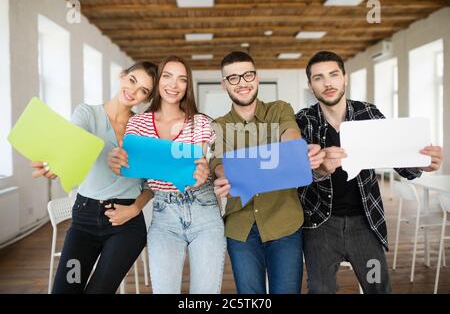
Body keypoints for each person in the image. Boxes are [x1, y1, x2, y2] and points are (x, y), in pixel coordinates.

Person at [296, 50, 444, 294]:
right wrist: (320, 170)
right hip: (319, 223)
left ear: (345, 77)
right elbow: (297, 178)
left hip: (366, 220)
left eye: (333, 75)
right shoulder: (303, 121)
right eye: (319, 78)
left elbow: (396, 156)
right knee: (321, 289)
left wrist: (419, 164)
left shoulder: (368, 114)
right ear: (311, 85)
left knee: (377, 286)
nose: (328, 83)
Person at [31, 61, 157, 293]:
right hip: (84, 222)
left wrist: (135, 209)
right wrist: (57, 162)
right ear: (122, 77)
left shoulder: (144, 130)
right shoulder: (87, 113)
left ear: (146, 99)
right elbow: (73, 143)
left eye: (143, 90)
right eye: (132, 81)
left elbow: (151, 185)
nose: (134, 91)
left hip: (126, 224)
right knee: (65, 289)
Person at [108, 55, 226, 294]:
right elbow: (135, 173)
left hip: (204, 210)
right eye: (167, 76)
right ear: (158, 81)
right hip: (164, 214)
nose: (174, 85)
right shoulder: (137, 124)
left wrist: (205, 172)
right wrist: (117, 163)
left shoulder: (202, 123)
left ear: (187, 86)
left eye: (182, 79)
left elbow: (203, 165)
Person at [211, 51, 324, 294]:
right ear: (224, 85)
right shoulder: (218, 126)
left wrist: (295, 151)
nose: (242, 82)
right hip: (240, 227)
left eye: (247, 75)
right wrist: (225, 173)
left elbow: (290, 135)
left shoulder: (280, 109)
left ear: (257, 77)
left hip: (284, 223)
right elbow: (220, 163)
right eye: (233, 78)